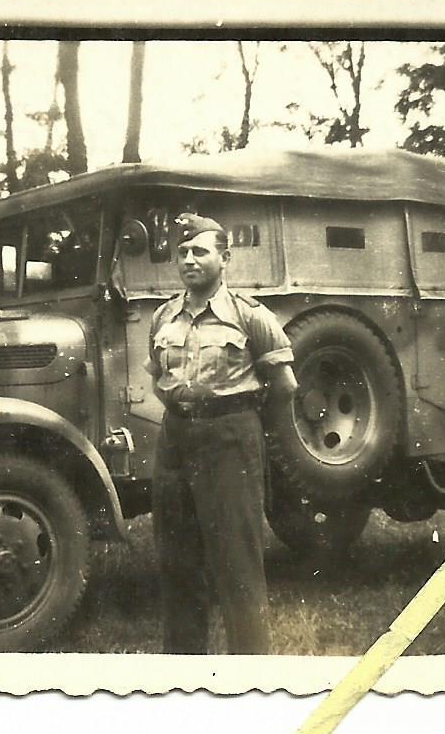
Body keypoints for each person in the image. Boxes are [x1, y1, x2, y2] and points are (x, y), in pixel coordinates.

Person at [146, 212, 298, 654]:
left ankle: (248, 679)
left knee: (237, 564)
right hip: (175, 440)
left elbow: (285, 387)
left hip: (231, 440)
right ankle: (183, 678)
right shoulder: (163, 316)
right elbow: (158, 377)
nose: (189, 260)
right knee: (176, 563)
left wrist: (241, 424)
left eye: (200, 251)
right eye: (182, 253)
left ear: (225, 258)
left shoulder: (250, 316)